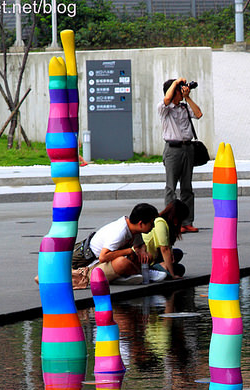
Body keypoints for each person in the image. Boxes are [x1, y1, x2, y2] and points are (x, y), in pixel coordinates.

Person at [72, 203, 163, 284]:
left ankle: (127, 274)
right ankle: (141, 273)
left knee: (148, 257)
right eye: (151, 223)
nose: (153, 227)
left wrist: (142, 251)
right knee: (122, 262)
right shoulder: (120, 232)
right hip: (89, 266)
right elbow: (103, 257)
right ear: (141, 224)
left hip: (104, 263)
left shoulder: (134, 229)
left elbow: (140, 245)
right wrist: (127, 251)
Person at [158, 77, 202, 234]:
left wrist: (188, 97)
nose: (182, 92)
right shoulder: (164, 108)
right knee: (171, 187)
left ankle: (187, 221)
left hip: (187, 148)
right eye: (179, 90)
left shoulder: (184, 107)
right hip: (172, 150)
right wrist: (176, 82)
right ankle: (171, 223)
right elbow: (166, 99)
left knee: (187, 188)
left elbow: (198, 114)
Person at [143, 199, 189, 280]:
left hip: (156, 254)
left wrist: (170, 253)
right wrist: (172, 275)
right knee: (179, 269)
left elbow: (167, 247)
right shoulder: (160, 222)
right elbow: (164, 249)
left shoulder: (166, 223)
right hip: (148, 259)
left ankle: (163, 266)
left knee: (178, 253)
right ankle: (156, 268)